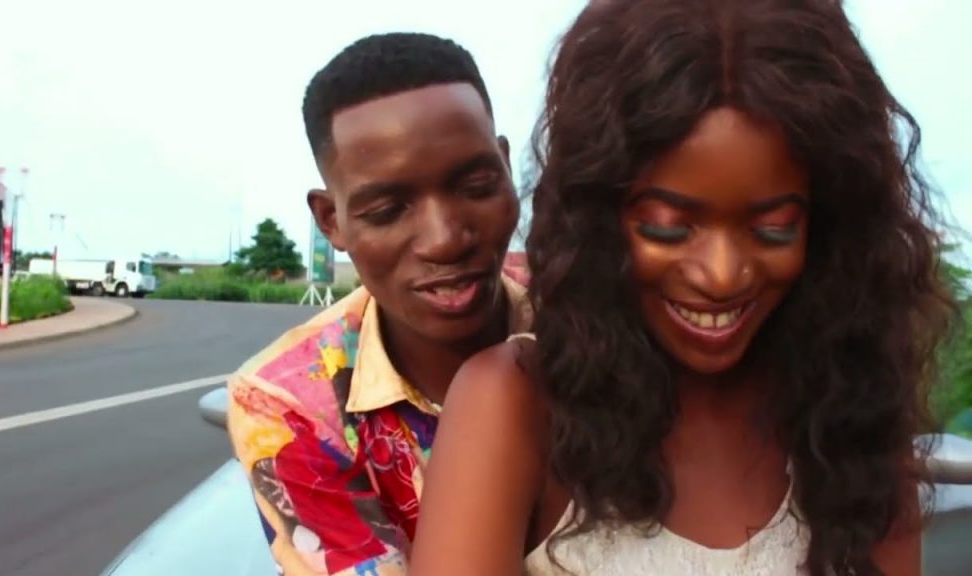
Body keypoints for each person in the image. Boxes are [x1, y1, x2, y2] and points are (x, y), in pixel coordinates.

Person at [409, 1, 959, 575]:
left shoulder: (853, 427)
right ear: (596, 217)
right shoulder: (514, 407)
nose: (721, 274)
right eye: (667, 228)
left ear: (829, 226)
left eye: (773, 228)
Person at [227, 32, 529, 576]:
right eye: (388, 211)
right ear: (332, 221)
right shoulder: (294, 408)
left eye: (477, 186)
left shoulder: (598, 320)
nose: (444, 239)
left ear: (506, 168)